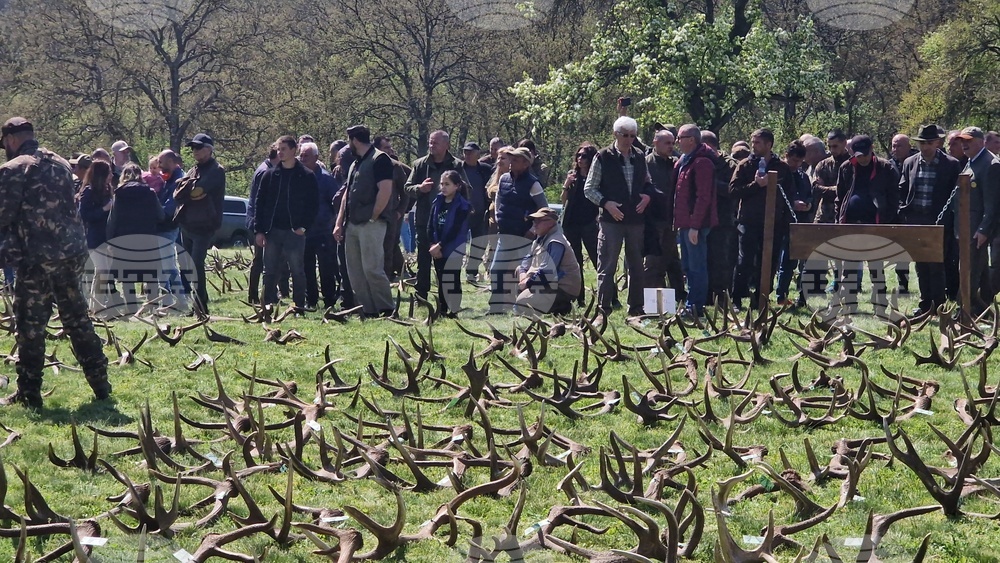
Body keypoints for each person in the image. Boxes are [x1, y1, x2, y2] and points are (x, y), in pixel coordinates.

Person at [0, 117, 110, 409]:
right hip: (72, 254)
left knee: (31, 326)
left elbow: (3, 215)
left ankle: (29, 392)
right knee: (78, 320)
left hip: (36, 259)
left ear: (11, 139)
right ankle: (100, 384)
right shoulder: (61, 163)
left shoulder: (14, 169)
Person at [584, 116, 656, 319]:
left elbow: (647, 182)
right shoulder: (602, 156)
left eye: (633, 135)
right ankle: (603, 310)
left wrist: (648, 196)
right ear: (616, 134)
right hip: (610, 221)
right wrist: (606, 203)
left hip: (635, 220)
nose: (629, 139)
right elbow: (589, 188)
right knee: (607, 266)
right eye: (625, 135)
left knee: (636, 266)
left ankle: (636, 309)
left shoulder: (640, 155)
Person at [898, 124, 962, 315]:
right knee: (920, 263)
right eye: (922, 143)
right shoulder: (910, 162)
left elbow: (956, 196)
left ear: (938, 143)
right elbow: (903, 188)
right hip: (916, 220)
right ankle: (925, 303)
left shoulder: (951, 164)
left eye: (929, 143)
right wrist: (903, 212)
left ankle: (939, 304)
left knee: (937, 263)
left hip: (939, 221)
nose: (925, 147)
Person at [729, 128, 796, 310]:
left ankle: (760, 299)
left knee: (769, 262)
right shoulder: (744, 165)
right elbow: (733, 191)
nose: (753, 146)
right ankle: (736, 299)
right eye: (752, 142)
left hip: (773, 224)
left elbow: (789, 196)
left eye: (757, 143)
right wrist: (756, 185)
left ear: (769, 144)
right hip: (748, 221)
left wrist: (786, 224)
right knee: (745, 260)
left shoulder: (781, 167)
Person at [334, 125, 395, 318]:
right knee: (355, 271)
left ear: (354, 140)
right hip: (352, 224)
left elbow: (385, 190)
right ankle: (368, 310)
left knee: (372, 268)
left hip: (371, 223)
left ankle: (386, 308)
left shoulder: (380, 159)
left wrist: (373, 216)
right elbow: (346, 195)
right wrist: (339, 222)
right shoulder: (355, 164)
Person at [834, 135, 899, 314]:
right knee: (849, 266)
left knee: (876, 266)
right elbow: (840, 197)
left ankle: (880, 304)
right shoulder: (846, 167)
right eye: (858, 155)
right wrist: (838, 221)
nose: (861, 158)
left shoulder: (885, 167)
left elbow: (894, 198)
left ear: (872, 149)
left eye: (864, 154)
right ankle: (849, 304)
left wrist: (886, 220)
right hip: (850, 223)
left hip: (875, 223)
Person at [254, 135, 318, 314]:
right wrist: (259, 230)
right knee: (270, 271)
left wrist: (304, 227)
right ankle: (266, 306)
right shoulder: (270, 175)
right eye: (278, 149)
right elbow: (260, 203)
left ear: (293, 150)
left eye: (283, 149)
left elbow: (313, 205)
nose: (279, 152)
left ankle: (298, 307)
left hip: (295, 232)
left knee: (297, 271)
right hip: (272, 231)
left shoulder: (306, 176)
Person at [404, 130, 466, 301]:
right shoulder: (420, 164)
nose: (431, 146)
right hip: (425, 220)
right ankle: (421, 297)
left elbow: (465, 191)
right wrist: (419, 188)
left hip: (448, 224)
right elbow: (407, 187)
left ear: (446, 145)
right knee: (423, 262)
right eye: (430, 142)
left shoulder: (457, 165)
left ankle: (448, 301)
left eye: (435, 143)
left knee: (447, 263)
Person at [491, 147, 548, 313]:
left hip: (524, 236)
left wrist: (532, 229)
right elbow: (499, 201)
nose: (511, 162)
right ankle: (496, 306)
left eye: (515, 160)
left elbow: (543, 209)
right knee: (497, 269)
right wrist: (499, 219)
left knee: (522, 272)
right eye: (511, 159)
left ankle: (522, 306)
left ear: (525, 164)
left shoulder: (533, 184)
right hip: (505, 234)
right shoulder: (504, 179)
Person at [177, 133, 226, 317]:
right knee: (189, 267)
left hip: (205, 225)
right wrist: (188, 190)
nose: (195, 151)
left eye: (198, 147)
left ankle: (201, 307)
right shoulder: (193, 170)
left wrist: (188, 190)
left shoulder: (216, 170)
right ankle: (197, 304)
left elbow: (197, 191)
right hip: (188, 224)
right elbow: (179, 191)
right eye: (193, 148)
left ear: (209, 149)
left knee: (197, 265)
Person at [673, 124, 719, 317]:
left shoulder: (702, 163)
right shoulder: (686, 160)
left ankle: (696, 306)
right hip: (685, 223)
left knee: (696, 266)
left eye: (680, 138)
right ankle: (692, 302)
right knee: (688, 266)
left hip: (695, 225)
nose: (677, 142)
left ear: (691, 139)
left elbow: (703, 197)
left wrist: (695, 226)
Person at [106, 163, 165, 312]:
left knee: (127, 276)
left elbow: (113, 219)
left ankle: (131, 307)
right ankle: (153, 306)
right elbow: (160, 215)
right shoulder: (150, 193)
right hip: (147, 238)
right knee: (151, 275)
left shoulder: (119, 194)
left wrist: (110, 239)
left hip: (125, 239)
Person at [955, 126, 1000, 315]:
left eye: (969, 141)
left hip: (977, 228)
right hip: (966, 226)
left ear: (981, 142)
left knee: (970, 268)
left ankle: (964, 309)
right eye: (962, 141)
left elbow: (993, 203)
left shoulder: (991, 164)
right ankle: (982, 307)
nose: (964, 145)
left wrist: (983, 230)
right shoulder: (972, 161)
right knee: (975, 270)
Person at [644, 129, 685, 299]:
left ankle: (680, 295)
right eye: (667, 143)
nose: (671, 146)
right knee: (653, 261)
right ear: (655, 142)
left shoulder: (675, 163)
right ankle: (650, 299)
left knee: (672, 260)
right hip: (652, 220)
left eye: (673, 143)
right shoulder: (646, 163)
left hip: (671, 219)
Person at [515, 207, 581, 315]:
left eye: (538, 221)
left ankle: (561, 306)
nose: (534, 225)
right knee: (517, 270)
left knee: (522, 303)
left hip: (562, 288)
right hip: (547, 284)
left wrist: (527, 283)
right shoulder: (540, 239)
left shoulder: (556, 242)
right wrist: (523, 275)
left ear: (550, 223)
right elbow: (526, 260)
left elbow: (547, 273)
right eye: (534, 221)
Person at [299, 141, 339, 310]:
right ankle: (311, 300)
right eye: (301, 155)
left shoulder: (326, 178)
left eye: (306, 156)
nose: (302, 159)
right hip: (304, 231)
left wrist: (332, 223)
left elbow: (336, 203)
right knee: (306, 267)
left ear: (316, 157)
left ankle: (329, 300)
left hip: (323, 230)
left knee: (326, 267)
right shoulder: (298, 177)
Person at [775, 141, 814, 307]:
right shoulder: (780, 174)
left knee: (800, 262)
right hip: (782, 223)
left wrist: (808, 204)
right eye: (793, 160)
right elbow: (776, 196)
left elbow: (810, 195)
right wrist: (792, 202)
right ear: (786, 156)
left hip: (801, 223)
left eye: (799, 161)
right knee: (785, 263)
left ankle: (801, 297)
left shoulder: (803, 176)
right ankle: (781, 296)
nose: (796, 164)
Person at [428, 170, 472, 316]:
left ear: (457, 186)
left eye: (447, 184)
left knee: (452, 278)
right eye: (442, 184)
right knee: (441, 278)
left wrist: (440, 245)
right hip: (437, 248)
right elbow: (430, 225)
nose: (444, 187)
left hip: (453, 247)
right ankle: (442, 309)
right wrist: (433, 245)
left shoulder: (462, 206)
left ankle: (454, 309)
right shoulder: (438, 202)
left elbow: (455, 229)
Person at [560, 143, 599, 306]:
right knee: (575, 263)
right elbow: (563, 200)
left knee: (598, 259)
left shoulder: (596, 176)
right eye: (579, 156)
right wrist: (566, 184)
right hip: (571, 223)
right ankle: (579, 298)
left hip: (590, 223)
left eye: (584, 156)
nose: (580, 159)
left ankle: (610, 296)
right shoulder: (572, 175)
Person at [76, 159, 114, 311]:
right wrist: (104, 209)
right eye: (108, 172)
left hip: (108, 237)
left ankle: (96, 306)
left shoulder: (107, 190)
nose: (111, 175)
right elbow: (84, 215)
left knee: (103, 273)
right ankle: (97, 307)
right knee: (102, 271)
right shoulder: (88, 191)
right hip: (94, 238)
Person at [373, 136, 412, 282]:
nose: (390, 150)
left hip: (390, 215)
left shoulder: (396, 167)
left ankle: (387, 279)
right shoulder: (369, 165)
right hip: (371, 215)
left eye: (390, 148)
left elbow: (406, 192)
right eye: (386, 148)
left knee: (388, 248)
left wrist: (400, 211)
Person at [246, 144, 278, 304]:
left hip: (257, 221)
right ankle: (258, 295)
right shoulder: (265, 171)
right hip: (260, 222)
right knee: (261, 260)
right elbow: (261, 201)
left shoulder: (264, 168)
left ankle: (258, 294)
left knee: (260, 260)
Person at [460, 141, 493, 282]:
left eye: (470, 152)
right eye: (465, 152)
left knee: (479, 245)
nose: (467, 155)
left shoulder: (486, 169)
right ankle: (453, 271)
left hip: (481, 214)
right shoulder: (458, 169)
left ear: (477, 154)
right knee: (458, 244)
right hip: (461, 214)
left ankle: (471, 272)